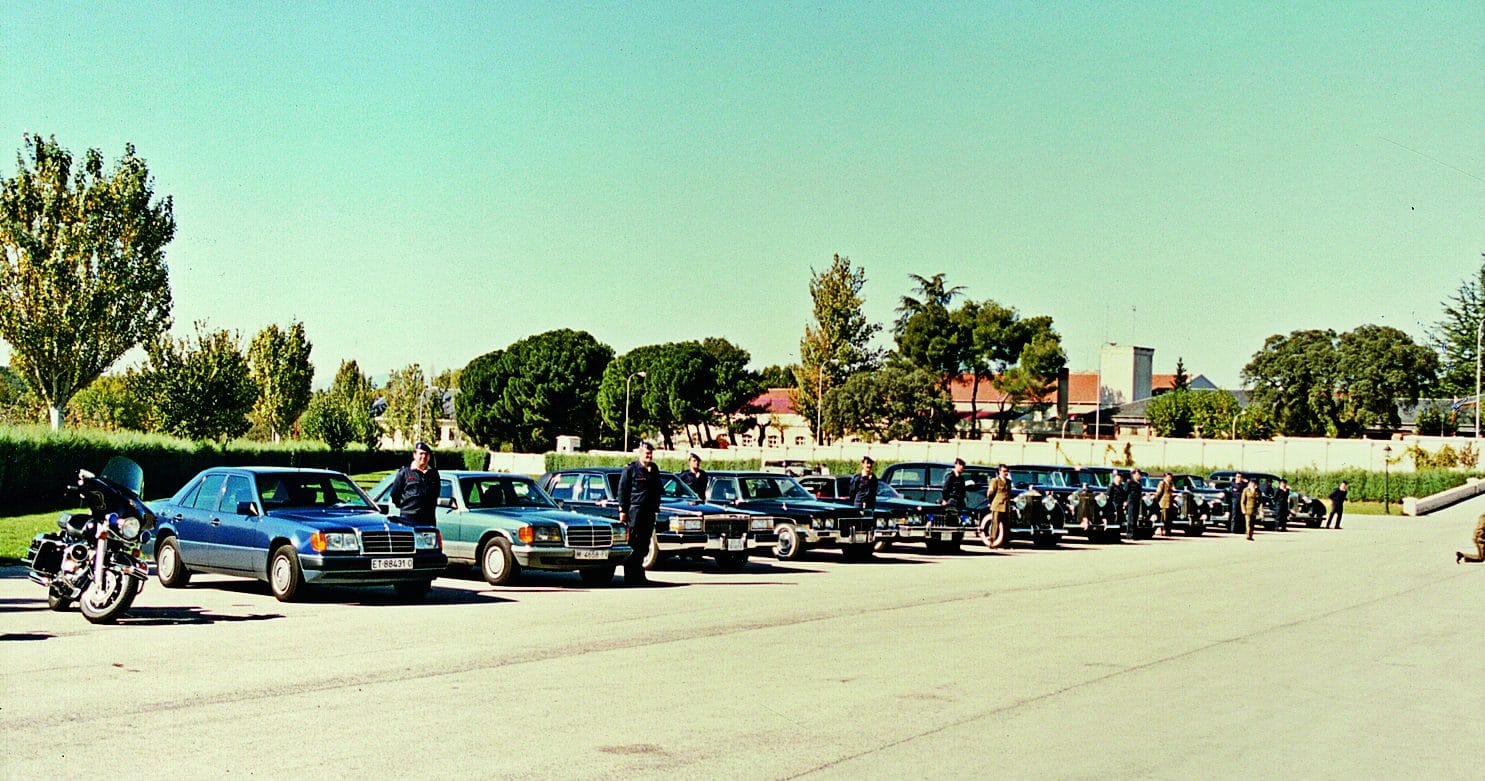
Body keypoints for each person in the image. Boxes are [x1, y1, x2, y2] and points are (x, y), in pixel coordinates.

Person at [618, 441, 661, 585]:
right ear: (640, 454)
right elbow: (623, 491)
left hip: (649, 512)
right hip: (635, 511)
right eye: (646, 453)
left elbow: (657, 491)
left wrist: (656, 509)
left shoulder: (654, 469)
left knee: (644, 544)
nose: (649, 456)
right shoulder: (631, 469)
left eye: (650, 453)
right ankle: (630, 576)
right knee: (634, 543)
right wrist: (623, 510)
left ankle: (639, 574)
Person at [388, 441, 440, 526]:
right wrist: (407, 507)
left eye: (426, 454)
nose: (423, 456)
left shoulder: (434, 474)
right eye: (421, 453)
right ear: (414, 455)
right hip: (408, 518)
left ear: (429, 456)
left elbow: (436, 494)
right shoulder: (405, 472)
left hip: (428, 520)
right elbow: (395, 494)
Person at [982, 464, 1012, 547]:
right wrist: (991, 502)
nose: (1006, 473)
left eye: (1007, 471)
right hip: (997, 506)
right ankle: (992, 542)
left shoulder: (1009, 482)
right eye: (1004, 471)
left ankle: (1005, 543)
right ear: (999, 472)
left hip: (1006, 506)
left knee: (1006, 526)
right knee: (995, 525)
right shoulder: (995, 481)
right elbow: (990, 493)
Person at [1152, 472, 1175, 536]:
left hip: (1170, 503)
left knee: (1169, 517)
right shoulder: (1162, 483)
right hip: (1163, 503)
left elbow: (1174, 490)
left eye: (1170, 477)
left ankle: (1168, 530)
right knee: (1163, 517)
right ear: (1165, 477)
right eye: (1168, 477)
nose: (1170, 478)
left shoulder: (1171, 484)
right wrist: (1155, 498)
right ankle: (1163, 530)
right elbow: (1159, 491)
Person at [1106, 470, 1127, 538]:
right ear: (1115, 478)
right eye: (1118, 477)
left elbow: (1124, 496)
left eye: (1121, 478)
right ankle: (1113, 536)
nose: (1120, 479)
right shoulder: (1111, 486)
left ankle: (1118, 536)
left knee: (1120, 522)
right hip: (1114, 507)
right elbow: (1108, 498)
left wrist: (1125, 502)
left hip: (1121, 507)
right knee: (1114, 522)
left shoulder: (1121, 487)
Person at [1124, 469, 1144, 541]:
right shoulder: (1130, 482)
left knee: (1135, 518)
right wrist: (1125, 501)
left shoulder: (1139, 483)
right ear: (1134, 475)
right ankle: (1130, 534)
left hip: (1137, 502)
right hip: (1131, 501)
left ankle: (1135, 534)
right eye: (1138, 475)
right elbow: (1126, 492)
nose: (1139, 476)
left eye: (1140, 475)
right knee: (1131, 518)